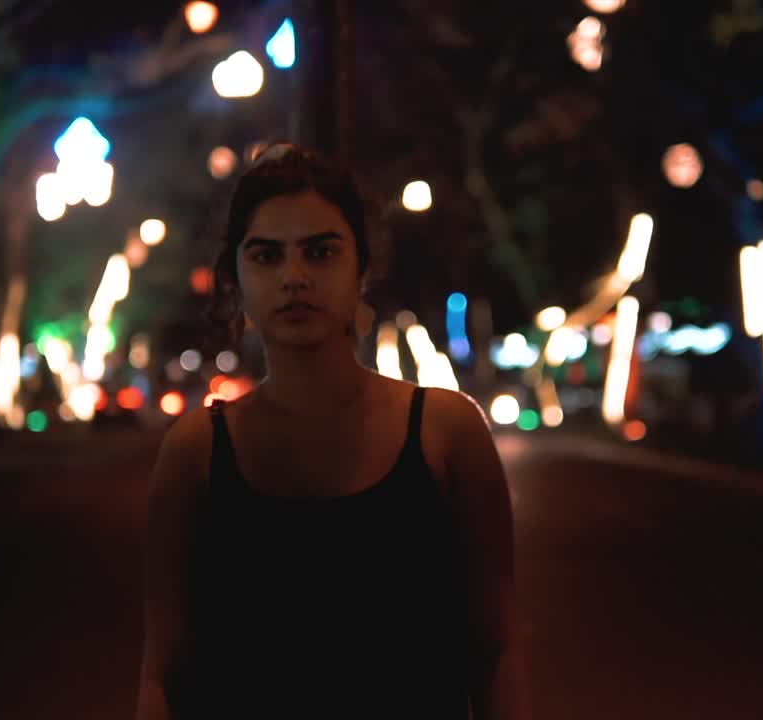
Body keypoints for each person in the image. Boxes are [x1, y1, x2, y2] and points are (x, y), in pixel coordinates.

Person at [134, 142, 530, 719]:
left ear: (362, 270)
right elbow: (163, 677)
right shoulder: (195, 451)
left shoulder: (446, 433)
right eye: (267, 257)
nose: (294, 277)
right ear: (236, 280)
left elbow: (495, 652)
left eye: (320, 253)